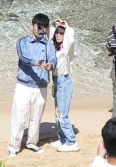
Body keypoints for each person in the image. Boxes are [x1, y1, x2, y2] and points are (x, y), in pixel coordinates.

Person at [9, 13, 57, 156]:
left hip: (41, 86)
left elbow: (54, 60)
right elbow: (22, 57)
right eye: (38, 26)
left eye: (44, 27)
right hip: (23, 85)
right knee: (19, 117)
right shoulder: (22, 41)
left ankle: (32, 143)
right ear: (32, 25)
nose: (41, 29)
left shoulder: (49, 45)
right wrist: (35, 63)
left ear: (48, 28)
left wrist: (50, 66)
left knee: (36, 118)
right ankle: (14, 147)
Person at [52, 16, 79, 153]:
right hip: (56, 81)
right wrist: (54, 24)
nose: (58, 35)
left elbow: (71, 39)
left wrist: (67, 27)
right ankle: (62, 138)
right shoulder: (55, 48)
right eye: (57, 32)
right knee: (57, 113)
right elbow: (49, 36)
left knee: (62, 114)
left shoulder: (66, 50)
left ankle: (71, 141)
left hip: (64, 82)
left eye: (61, 33)